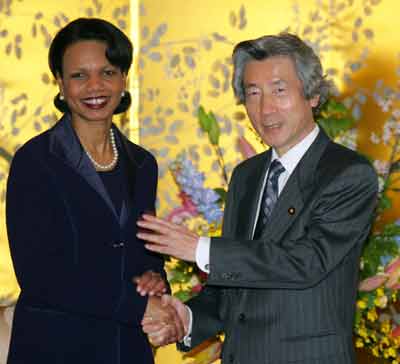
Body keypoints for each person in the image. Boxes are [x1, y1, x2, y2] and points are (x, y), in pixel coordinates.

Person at [136, 33, 379, 363]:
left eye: (279, 90)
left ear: (313, 95)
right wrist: (186, 320)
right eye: (253, 94)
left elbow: (306, 262)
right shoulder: (246, 176)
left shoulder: (347, 173)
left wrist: (199, 249)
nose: (266, 108)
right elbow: (237, 283)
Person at [6, 18, 183, 364]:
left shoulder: (142, 163)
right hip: (56, 348)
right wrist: (136, 305)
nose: (95, 86)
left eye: (108, 72)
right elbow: (40, 275)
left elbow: (144, 253)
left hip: (126, 348)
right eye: (79, 75)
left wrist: (154, 280)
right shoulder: (36, 161)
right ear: (59, 83)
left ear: (124, 79)